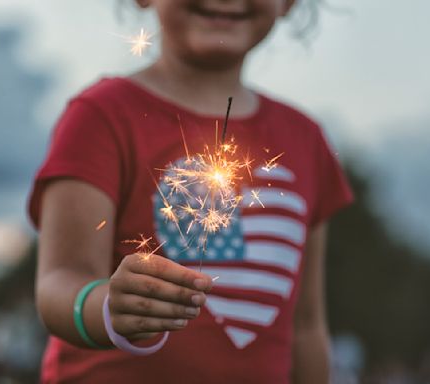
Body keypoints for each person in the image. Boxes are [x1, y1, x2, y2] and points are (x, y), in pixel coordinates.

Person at [28, 0, 353, 383]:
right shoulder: (100, 117)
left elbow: (307, 324)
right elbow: (59, 282)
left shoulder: (305, 141)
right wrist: (106, 309)